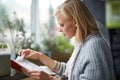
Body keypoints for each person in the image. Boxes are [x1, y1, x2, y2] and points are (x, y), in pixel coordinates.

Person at [18, 0, 116, 80]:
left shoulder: (94, 45)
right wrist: (39, 56)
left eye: (62, 25)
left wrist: (49, 79)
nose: (60, 29)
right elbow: (67, 70)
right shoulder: (83, 44)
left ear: (75, 22)